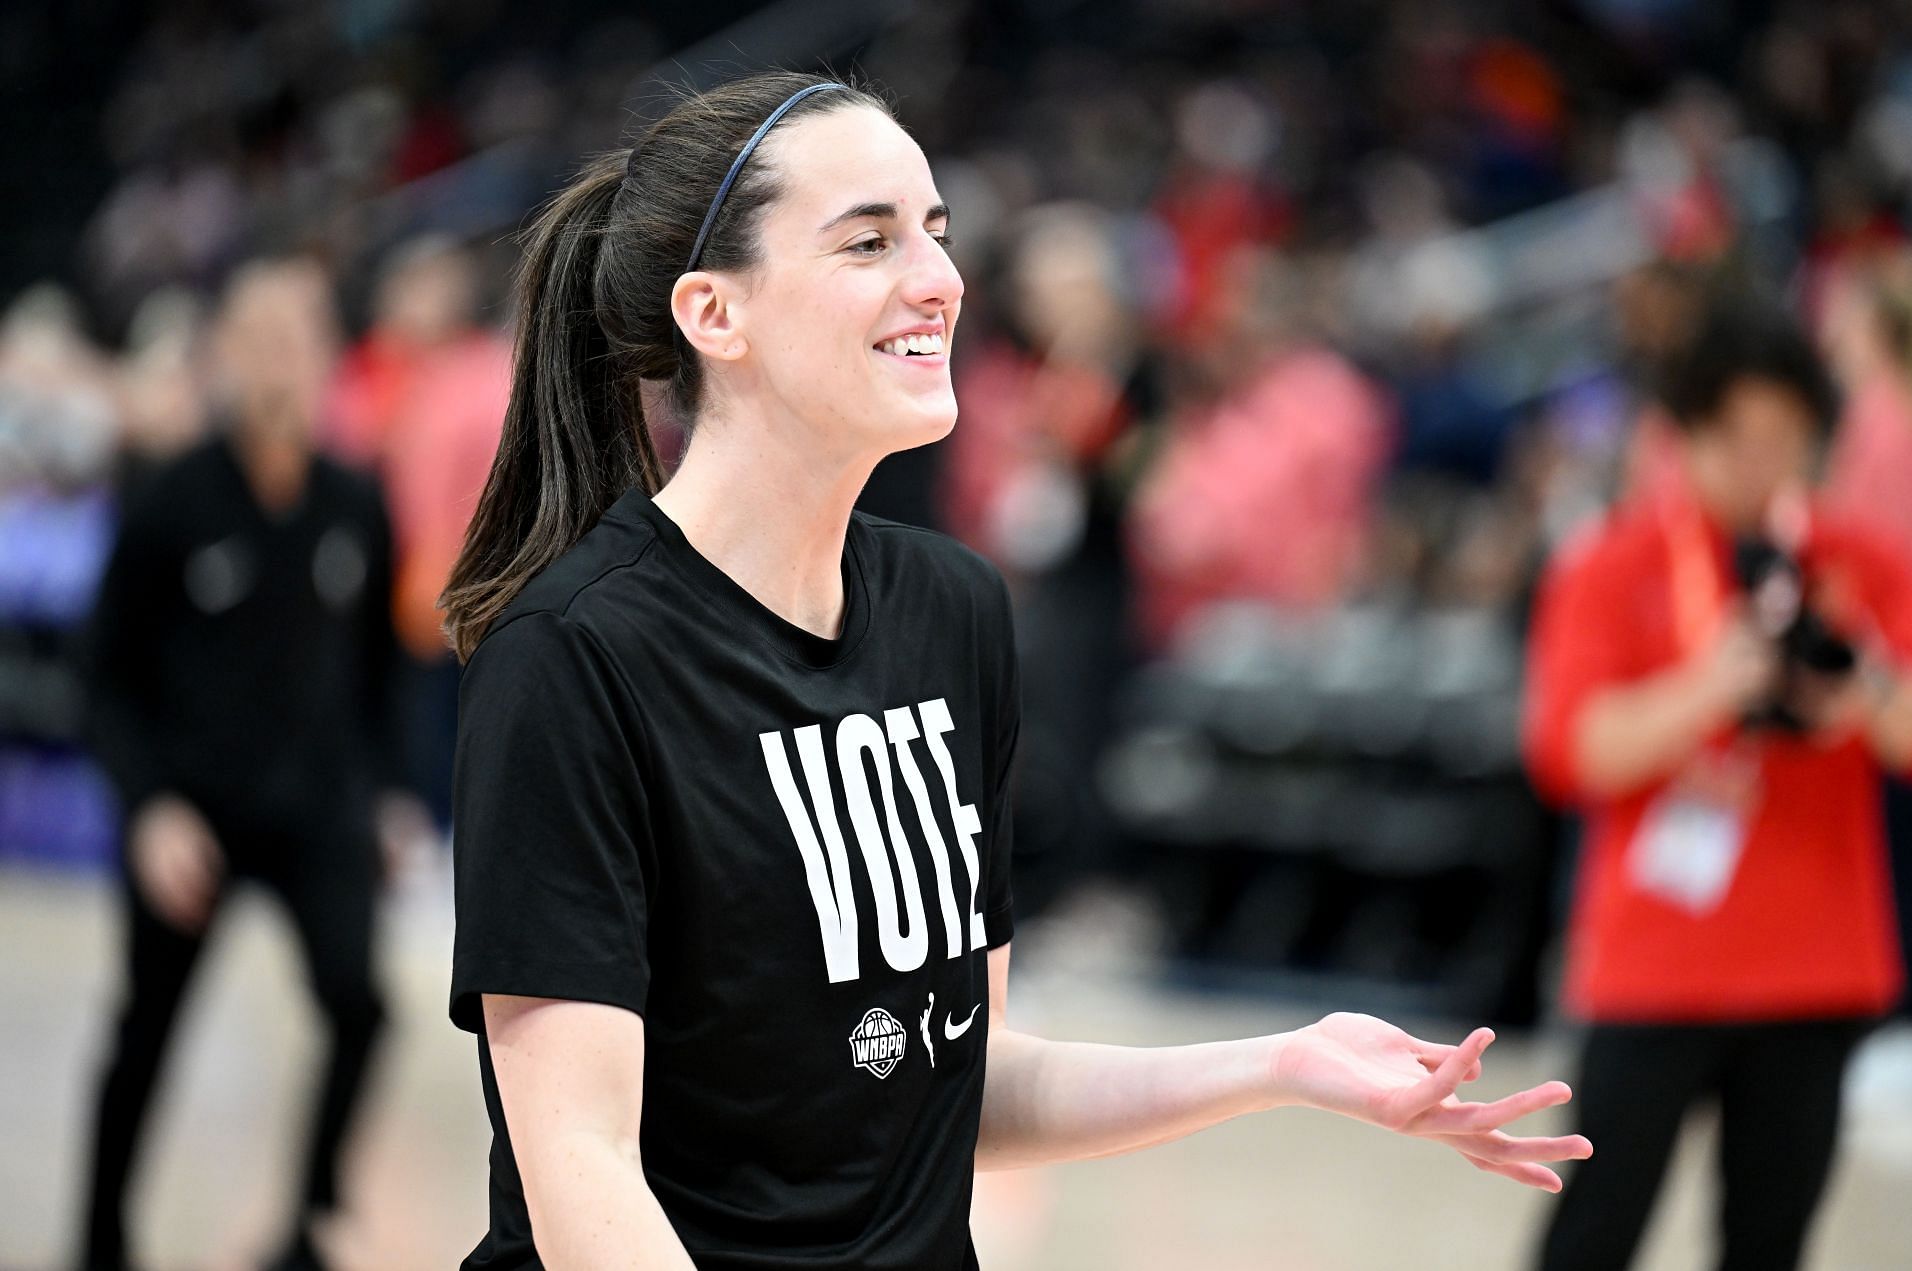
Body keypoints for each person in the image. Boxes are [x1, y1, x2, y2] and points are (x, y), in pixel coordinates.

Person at [444, 71, 1591, 1270]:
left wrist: (1280, 1062)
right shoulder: (573, 655)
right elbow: (581, 1172)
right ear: (714, 315)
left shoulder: (956, 612)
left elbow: (966, 1076)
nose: (938, 279)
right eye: (869, 240)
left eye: (937, 234)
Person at [1524, 300, 1912, 1271]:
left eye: (1786, 441)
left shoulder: (1861, 564)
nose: (1761, 466)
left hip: (1817, 960)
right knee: (1594, 1229)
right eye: (1737, 440)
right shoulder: (1612, 563)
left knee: (1770, 1240)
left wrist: (1861, 689)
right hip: (1654, 960)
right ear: (1685, 433)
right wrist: (1707, 687)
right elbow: (1570, 751)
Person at [77, 258, 427, 1271]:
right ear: (223, 352)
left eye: (299, 336)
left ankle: (307, 1225)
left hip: (317, 809)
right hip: (192, 813)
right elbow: (107, 676)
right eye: (258, 336)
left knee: (361, 1007)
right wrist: (148, 810)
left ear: (327, 355)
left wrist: (391, 794)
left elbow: (378, 669)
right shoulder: (170, 498)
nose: (280, 357)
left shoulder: (355, 500)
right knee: (144, 1030)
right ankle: (101, 1236)